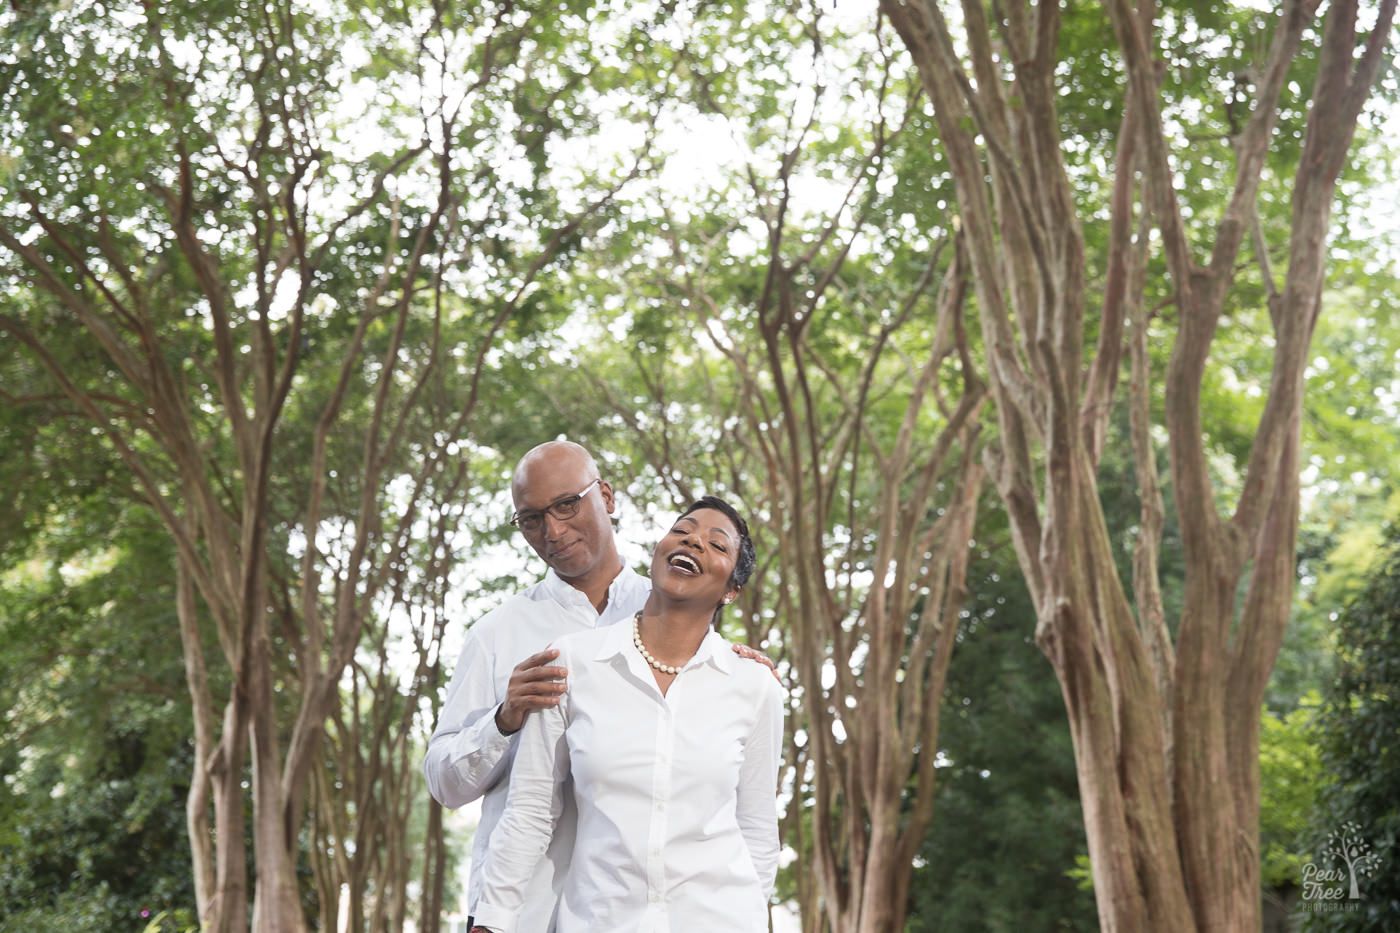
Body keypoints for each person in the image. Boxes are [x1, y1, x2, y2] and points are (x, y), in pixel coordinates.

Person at [424, 442, 775, 932]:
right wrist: (502, 720)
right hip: (518, 910)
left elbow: (748, 815)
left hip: (638, 914)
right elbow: (444, 784)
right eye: (531, 519)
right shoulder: (496, 633)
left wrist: (742, 667)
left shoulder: (674, 607)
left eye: (567, 505)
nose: (553, 531)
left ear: (606, 497)